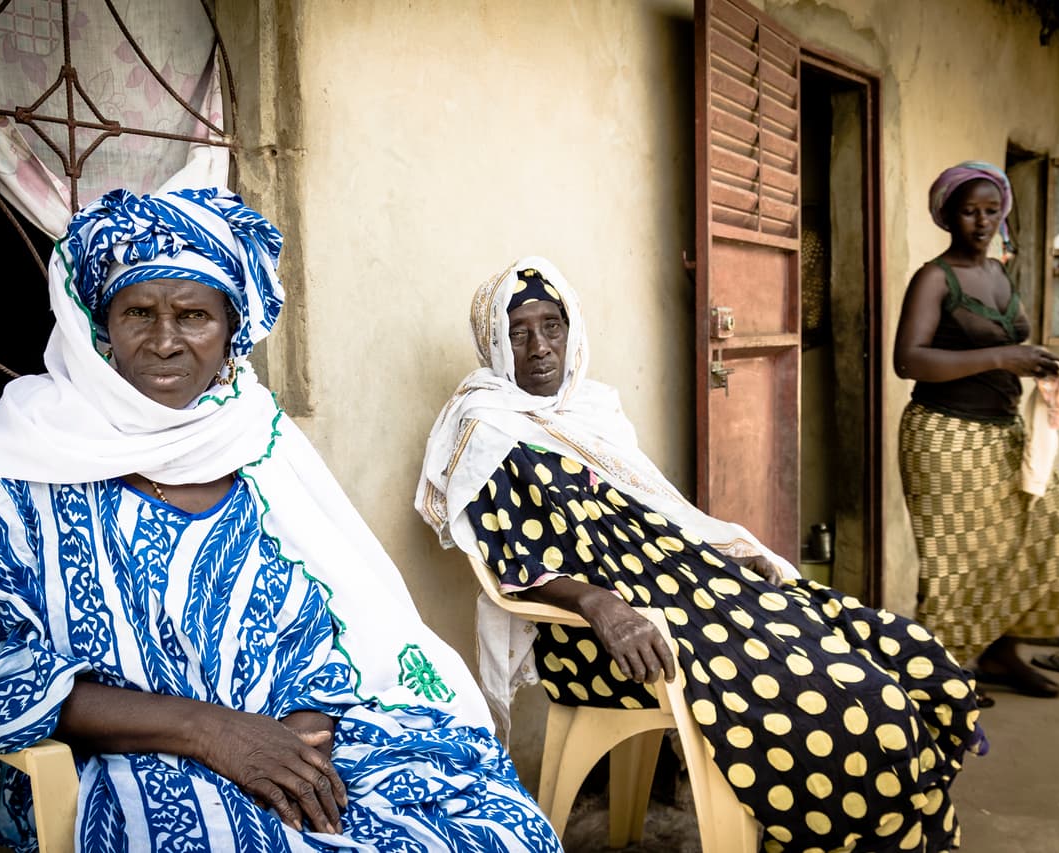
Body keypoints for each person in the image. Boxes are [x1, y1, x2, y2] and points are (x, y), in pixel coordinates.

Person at [0, 188, 561, 853]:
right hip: (128, 764)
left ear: (230, 332)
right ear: (102, 326)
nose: (164, 341)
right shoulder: (30, 459)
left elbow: (329, 618)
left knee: (503, 829)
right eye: (139, 311)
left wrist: (304, 732)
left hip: (297, 736)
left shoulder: (255, 442)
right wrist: (211, 730)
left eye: (193, 315)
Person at [416, 257, 986, 853]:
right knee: (845, 699)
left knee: (887, 643)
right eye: (518, 331)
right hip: (601, 637)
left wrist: (724, 554)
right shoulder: (487, 430)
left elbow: (653, 512)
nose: (539, 347)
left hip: (683, 588)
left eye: (551, 325)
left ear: (572, 328)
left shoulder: (590, 410)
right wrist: (598, 603)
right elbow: (509, 568)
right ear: (493, 342)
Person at [894, 161, 1059, 703]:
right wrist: (1003, 355)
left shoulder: (1000, 272)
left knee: (1046, 538)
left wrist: (1041, 364)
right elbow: (908, 361)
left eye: (991, 211)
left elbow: (1012, 339)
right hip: (944, 435)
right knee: (955, 563)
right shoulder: (935, 278)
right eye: (969, 211)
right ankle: (938, 680)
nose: (981, 221)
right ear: (949, 217)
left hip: (1002, 433)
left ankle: (1000, 654)